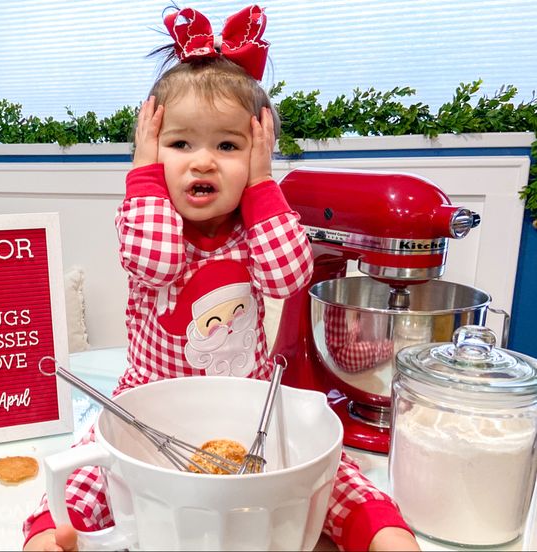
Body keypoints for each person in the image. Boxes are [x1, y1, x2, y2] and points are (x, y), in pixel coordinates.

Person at [23, 5, 420, 551]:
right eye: (179, 144)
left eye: (228, 146)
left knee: (330, 472)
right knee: (91, 469)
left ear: (257, 153)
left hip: (247, 399)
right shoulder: (144, 216)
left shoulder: (256, 227)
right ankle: (49, 535)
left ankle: (380, 530)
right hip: (148, 402)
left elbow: (288, 276)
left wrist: (261, 186)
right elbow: (156, 262)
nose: (203, 162)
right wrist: (143, 174)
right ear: (149, 151)